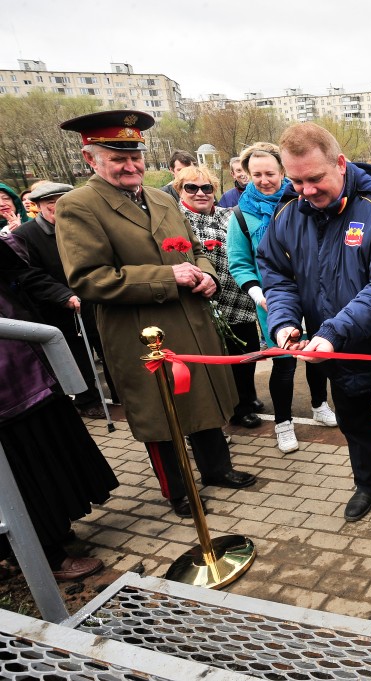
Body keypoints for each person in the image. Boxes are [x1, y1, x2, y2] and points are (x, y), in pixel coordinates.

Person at [55, 110, 257, 520]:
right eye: (118, 158)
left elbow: (195, 248)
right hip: (140, 334)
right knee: (159, 413)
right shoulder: (78, 206)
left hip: (192, 323)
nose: (131, 166)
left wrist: (206, 273)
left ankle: (217, 469)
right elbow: (90, 279)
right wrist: (169, 276)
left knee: (202, 399)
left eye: (136, 157)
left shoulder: (163, 198)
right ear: (90, 159)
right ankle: (177, 490)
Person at [258, 122, 371, 522]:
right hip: (333, 346)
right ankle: (367, 483)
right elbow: (277, 275)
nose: (307, 191)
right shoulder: (287, 214)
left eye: (315, 178)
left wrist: (333, 331)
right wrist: (283, 321)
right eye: (297, 181)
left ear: (340, 163)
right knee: (355, 421)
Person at [0, 235, 119, 581]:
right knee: (15, 468)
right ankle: (43, 555)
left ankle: (53, 528)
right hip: (5, 396)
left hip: (28, 366)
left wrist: (62, 295)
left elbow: (21, 273)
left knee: (47, 453)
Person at [226, 142, 335, 453]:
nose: (264, 180)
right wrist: (257, 291)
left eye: (270, 173)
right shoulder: (241, 215)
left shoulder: (303, 202)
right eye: (256, 174)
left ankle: (319, 404)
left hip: (315, 297)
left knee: (317, 354)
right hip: (272, 301)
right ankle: (283, 422)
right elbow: (239, 261)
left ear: (283, 172)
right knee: (284, 363)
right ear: (246, 175)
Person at [173, 164, 264, 431]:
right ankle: (228, 407)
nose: (200, 193)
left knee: (246, 357)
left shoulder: (230, 215)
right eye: (192, 188)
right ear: (180, 190)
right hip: (205, 307)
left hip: (240, 302)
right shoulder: (176, 221)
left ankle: (245, 401)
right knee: (216, 363)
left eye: (207, 188)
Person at [12, 182, 110, 420]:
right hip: (59, 308)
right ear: (38, 207)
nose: (59, 209)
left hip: (95, 300)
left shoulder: (84, 228)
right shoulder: (24, 236)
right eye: (51, 204)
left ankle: (120, 393)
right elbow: (28, 274)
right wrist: (62, 295)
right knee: (78, 356)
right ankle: (88, 401)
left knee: (108, 348)